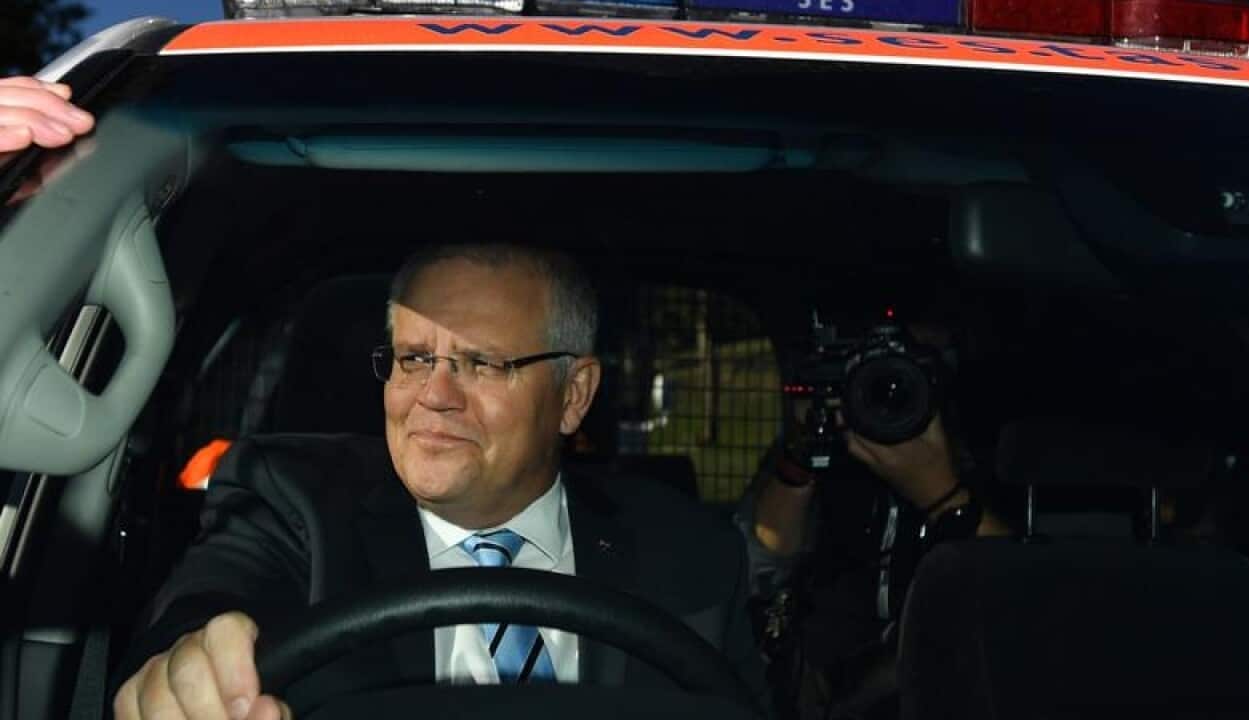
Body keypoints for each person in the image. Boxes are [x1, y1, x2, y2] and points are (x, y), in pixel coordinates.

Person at [0, 76, 768, 720]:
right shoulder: (289, 498)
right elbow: (210, 608)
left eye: (482, 363)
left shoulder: (690, 550)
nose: (433, 395)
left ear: (575, 395)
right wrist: (183, 669)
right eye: (413, 358)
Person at [736, 319, 1007, 719]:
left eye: (916, 359)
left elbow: (1017, 606)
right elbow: (757, 566)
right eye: (877, 370)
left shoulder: (997, 454)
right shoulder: (827, 462)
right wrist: (805, 449)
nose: (891, 384)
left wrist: (940, 492)